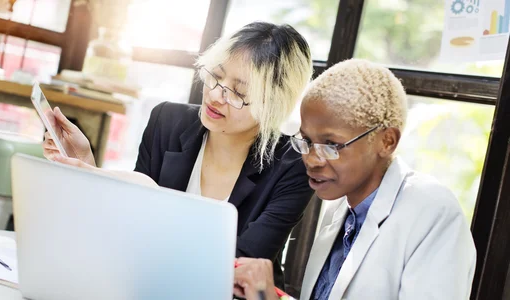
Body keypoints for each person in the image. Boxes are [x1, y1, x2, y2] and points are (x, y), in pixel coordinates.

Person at [42, 22, 315, 287]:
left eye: (238, 92)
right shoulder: (167, 121)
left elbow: (239, 267)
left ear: (275, 104)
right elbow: (129, 223)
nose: (216, 95)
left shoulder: (292, 166)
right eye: (216, 77)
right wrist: (87, 167)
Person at [232, 59, 476, 300]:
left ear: (387, 141)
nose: (312, 160)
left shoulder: (433, 211)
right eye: (306, 141)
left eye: (332, 145)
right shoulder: (340, 209)